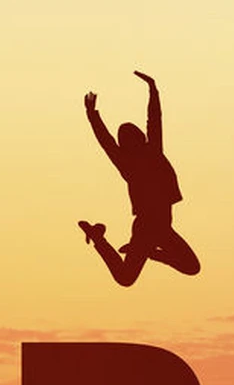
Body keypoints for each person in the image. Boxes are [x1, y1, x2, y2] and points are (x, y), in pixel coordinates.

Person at [78, 71, 200, 287]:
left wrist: (153, 90)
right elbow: (106, 141)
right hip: (147, 228)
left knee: (191, 267)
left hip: (162, 230)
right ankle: (98, 237)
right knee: (126, 278)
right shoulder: (131, 164)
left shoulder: (152, 153)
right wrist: (92, 114)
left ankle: (146, 252)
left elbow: (154, 120)